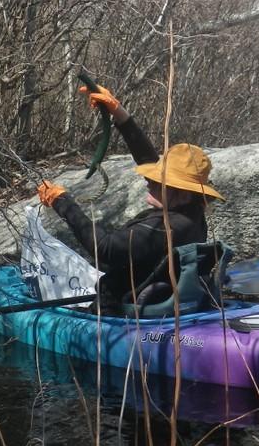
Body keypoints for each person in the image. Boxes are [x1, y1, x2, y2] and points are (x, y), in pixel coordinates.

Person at [36, 81, 225, 312]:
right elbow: (148, 160)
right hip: (157, 301)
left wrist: (62, 202)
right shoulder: (191, 213)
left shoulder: (164, 226)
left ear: (182, 192)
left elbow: (104, 249)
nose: (148, 180)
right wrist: (118, 112)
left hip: (124, 313)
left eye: (158, 182)